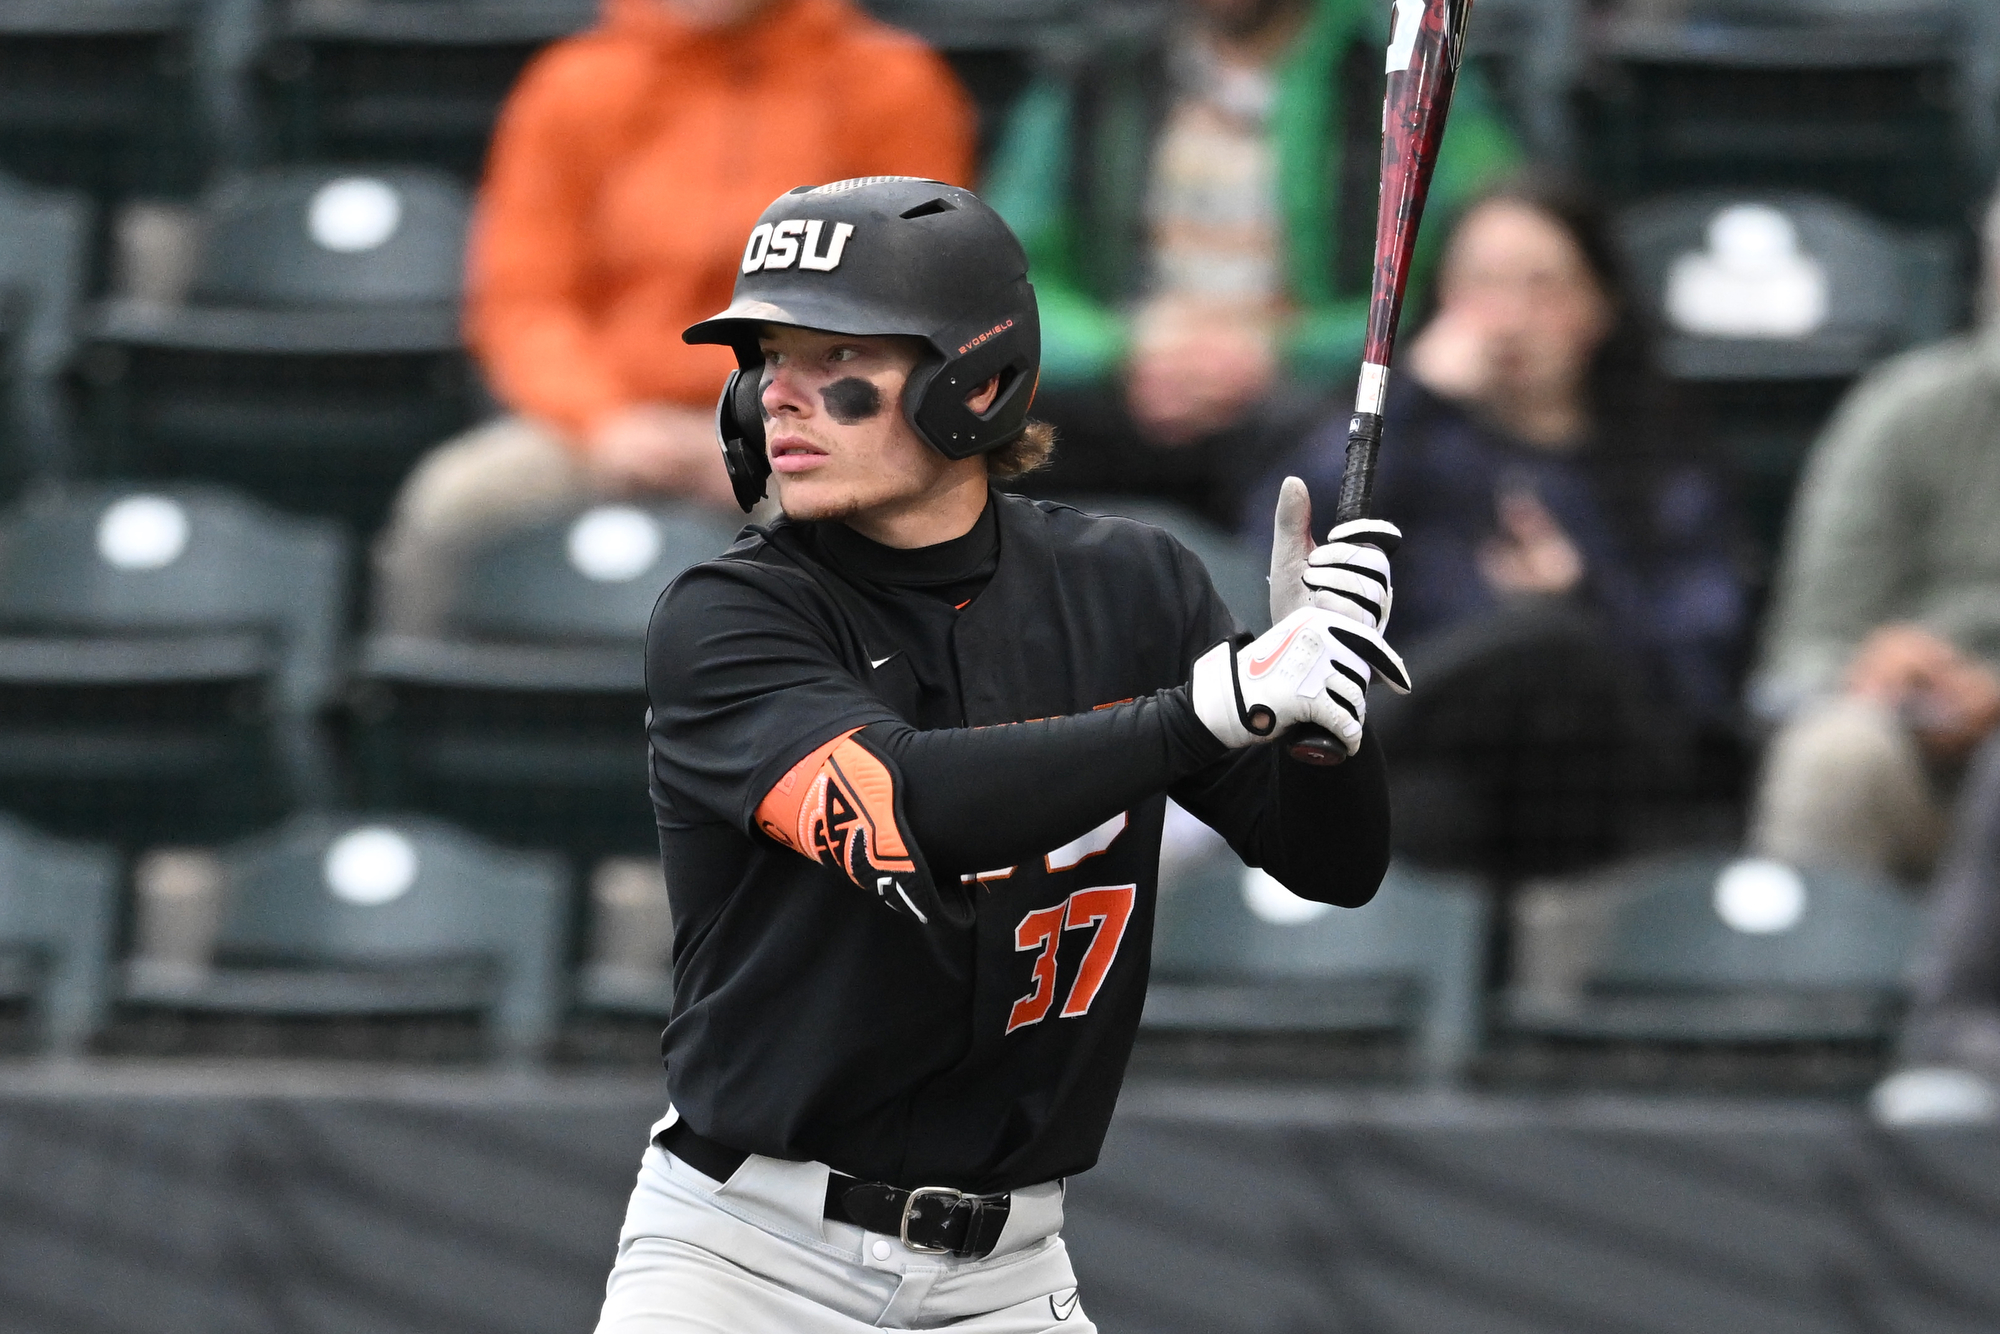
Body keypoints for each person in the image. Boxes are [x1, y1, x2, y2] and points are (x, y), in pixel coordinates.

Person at [596, 177, 1408, 1332]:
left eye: (834, 355)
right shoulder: (729, 614)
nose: (778, 396)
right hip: (744, 1262)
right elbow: (906, 805)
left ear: (972, 382)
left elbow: (1332, 864)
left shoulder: (1130, 584)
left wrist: (1321, 725)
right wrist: (1213, 707)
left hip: (1010, 1274)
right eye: (766, 356)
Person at [372, 0, 975, 634]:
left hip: (804, 423)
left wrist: (761, 427)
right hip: (605, 424)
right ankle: (419, 721)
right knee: (450, 505)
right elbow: (524, 301)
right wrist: (604, 420)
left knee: (873, 521)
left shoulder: (890, 80)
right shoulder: (573, 82)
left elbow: (907, 307)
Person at [1254, 171, 1748, 881]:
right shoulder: (1406, 445)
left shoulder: (1662, 466)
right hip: (1428, 777)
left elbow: (1701, 674)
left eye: (1543, 287)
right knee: (1414, 811)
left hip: (1610, 783)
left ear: (1601, 306)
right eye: (1481, 286)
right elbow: (1285, 549)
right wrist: (1410, 398)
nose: (1509, 317)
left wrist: (1584, 592)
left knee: (1544, 645)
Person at [980, 0, 1517, 526]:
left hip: (1318, 395)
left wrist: (1280, 350)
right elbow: (1003, 269)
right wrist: (1126, 344)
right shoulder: (1099, 69)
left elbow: (1470, 274)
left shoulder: (1405, 64)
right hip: (1127, 385)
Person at [1746, 186, 2000, 885]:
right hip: (1928, 771)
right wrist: (1881, 675)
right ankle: (1804, 987)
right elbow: (1800, 657)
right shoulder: (1903, 415)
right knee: (1835, 753)